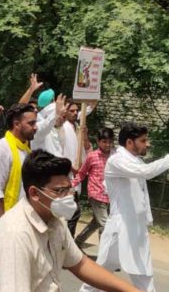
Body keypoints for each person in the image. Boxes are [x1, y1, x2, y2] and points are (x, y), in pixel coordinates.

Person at [0, 150, 139, 292]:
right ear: (34, 193)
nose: (68, 196)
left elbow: (80, 264)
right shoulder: (15, 236)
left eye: (69, 189)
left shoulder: (55, 219)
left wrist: (129, 290)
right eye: (59, 191)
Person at [79, 123, 169, 292]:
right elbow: (147, 172)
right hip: (120, 230)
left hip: (135, 228)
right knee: (99, 277)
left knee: (142, 275)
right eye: (143, 140)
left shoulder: (133, 161)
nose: (147, 144)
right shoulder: (117, 161)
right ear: (129, 142)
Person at [0, 103, 38, 220]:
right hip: (6, 222)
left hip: (23, 218)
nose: (35, 127)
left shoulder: (26, 150)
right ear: (17, 124)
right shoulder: (1, 149)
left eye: (35, 122)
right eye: (31, 123)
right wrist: (4, 225)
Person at [72, 127, 114, 248]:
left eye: (110, 141)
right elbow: (82, 173)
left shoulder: (114, 157)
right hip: (96, 194)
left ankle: (78, 242)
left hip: (110, 195)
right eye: (104, 141)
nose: (107, 144)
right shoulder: (92, 156)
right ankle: (104, 255)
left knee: (96, 222)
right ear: (98, 141)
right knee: (105, 225)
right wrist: (71, 185)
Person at [62, 99, 96, 237]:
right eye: (72, 111)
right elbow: (57, 152)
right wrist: (71, 166)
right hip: (65, 174)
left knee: (73, 212)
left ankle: (68, 243)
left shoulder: (78, 127)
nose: (75, 113)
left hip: (77, 176)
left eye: (77, 110)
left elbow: (87, 149)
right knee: (71, 212)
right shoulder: (61, 128)